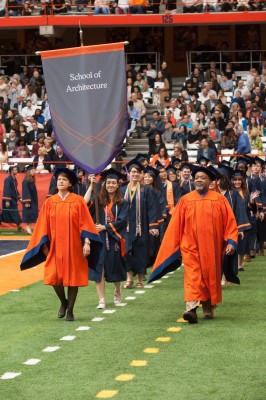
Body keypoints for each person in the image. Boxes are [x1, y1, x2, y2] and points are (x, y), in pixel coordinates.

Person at [148, 166, 239, 324]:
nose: (199, 180)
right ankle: (191, 308)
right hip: (190, 247)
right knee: (193, 275)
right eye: (197, 177)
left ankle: (208, 305)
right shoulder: (186, 200)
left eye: (203, 177)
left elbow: (230, 223)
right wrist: (172, 245)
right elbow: (175, 225)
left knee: (210, 275)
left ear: (211, 181)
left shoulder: (219, 200)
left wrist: (231, 241)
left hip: (213, 248)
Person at [20, 168, 102, 321]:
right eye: (59, 179)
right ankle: (63, 302)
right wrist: (44, 246)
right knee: (54, 277)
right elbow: (42, 225)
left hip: (75, 246)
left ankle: (70, 310)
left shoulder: (78, 201)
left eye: (64, 179)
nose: (61, 181)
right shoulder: (50, 202)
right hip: (55, 246)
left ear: (70, 183)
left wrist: (87, 242)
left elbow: (86, 223)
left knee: (73, 278)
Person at [84, 168, 128, 309]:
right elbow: (84, 204)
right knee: (99, 268)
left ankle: (117, 290)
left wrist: (105, 227)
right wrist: (91, 185)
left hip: (114, 238)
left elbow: (122, 221)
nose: (110, 185)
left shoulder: (122, 202)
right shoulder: (98, 201)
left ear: (117, 185)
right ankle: (101, 300)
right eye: (108, 182)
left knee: (114, 267)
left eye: (113, 183)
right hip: (98, 239)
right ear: (104, 184)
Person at [121, 159, 159, 289]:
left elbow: (152, 208)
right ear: (129, 174)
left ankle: (139, 280)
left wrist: (153, 226)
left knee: (140, 253)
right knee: (126, 253)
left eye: (138, 172)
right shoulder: (122, 190)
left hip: (140, 227)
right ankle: (129, 278)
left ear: (141, 174)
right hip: (125, 228)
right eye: (133, 172)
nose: (135, 174)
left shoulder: (146, 190)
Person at [1, 166, 22, 231]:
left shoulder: (14, 179)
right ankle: (19, 227)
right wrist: (7, 200)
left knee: (5, 215)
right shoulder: (8, 179)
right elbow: (6, 189)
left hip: (13, 199)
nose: (17, 171)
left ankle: (19, 226)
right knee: (14, 213)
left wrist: (19, 197)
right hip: (9, 200)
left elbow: (15, 189)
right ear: (12, 171)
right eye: (15, 170)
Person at [22, 165, 38, 235]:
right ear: (28, 172)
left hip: (33, 200)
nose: (34, 172)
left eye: (34, 170)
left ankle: (28, 227)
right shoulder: (26, 181)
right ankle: (28, 228)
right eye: (32, 171)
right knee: (29, 214)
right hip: (29, 201)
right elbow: (26, 191)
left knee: (32, 214)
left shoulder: (31, 180)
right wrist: (27, 201)